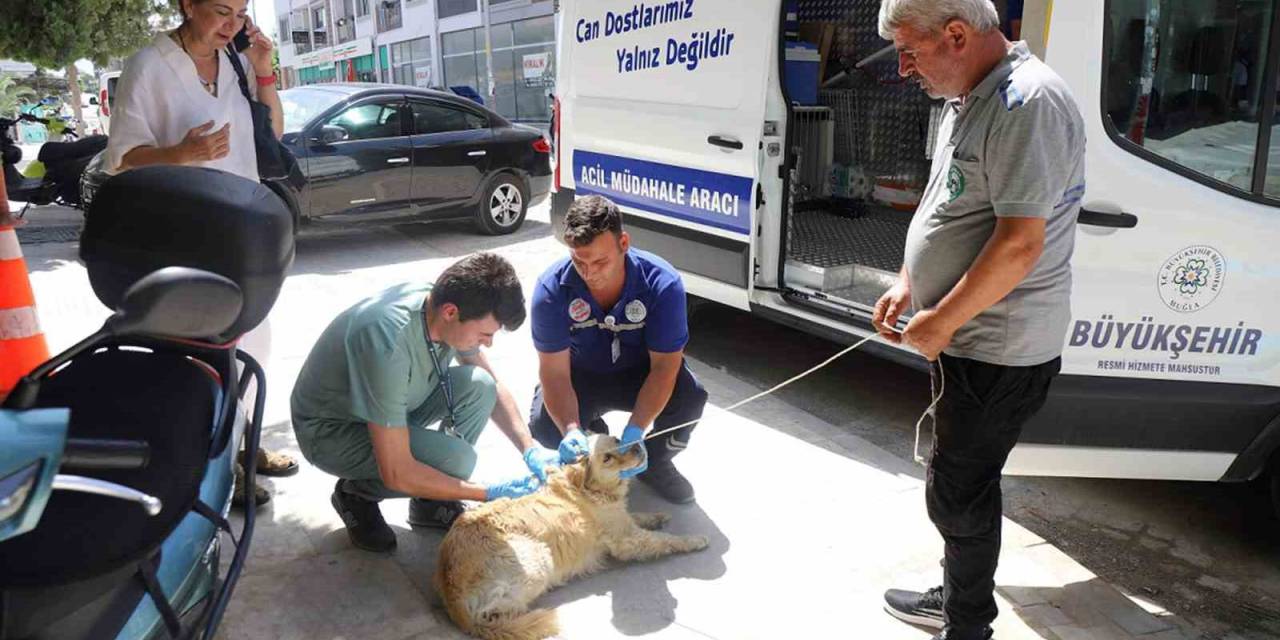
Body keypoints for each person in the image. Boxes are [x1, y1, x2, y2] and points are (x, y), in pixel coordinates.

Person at [871, 2, 1085, 639]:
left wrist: (941, 320)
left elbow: (1020, 243)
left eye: (910, 51)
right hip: (969, 338)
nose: (904, 68)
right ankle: (959, 594)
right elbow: (954, 205)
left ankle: (967, 625)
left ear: (957, 35)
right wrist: (912, 282)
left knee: (958, 490)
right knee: (960, 480)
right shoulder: (966, 96)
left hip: (1000, 347)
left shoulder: (1027, 103)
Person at [102, 0, 293, 507]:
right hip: (184, 232)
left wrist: (263, 70)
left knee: (255, 344)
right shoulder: (150, 67)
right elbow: (121, 158)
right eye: (221, 11)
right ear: (187, 4)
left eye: (242, 13)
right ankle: (212, 472)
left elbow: (272, 132)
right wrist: (178, 156)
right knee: (205, 354)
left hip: (241, 229)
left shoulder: (233, 60)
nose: (232, 25)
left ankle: (242, 445)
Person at [291, 253, 557, 553]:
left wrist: (530, 448)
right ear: (450, 312)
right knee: (457, 461)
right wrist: (489, 493)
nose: (488, 344)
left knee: (480, 386)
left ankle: (430, 500)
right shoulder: (388, 342)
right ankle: (356, 494)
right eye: (485, 334)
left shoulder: (441, 304)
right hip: (333, 432)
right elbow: (396, 471)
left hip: (390, 405)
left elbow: (493, 386)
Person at [528, 195, 708, 505]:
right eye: (579, 261)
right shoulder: (552, 290)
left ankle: (655, 459)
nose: (589, 273)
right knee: (545, 426)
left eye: (600, 261)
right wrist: (572, 429)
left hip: (641, 374)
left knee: (690, 399)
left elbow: (665, 366)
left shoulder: (662, 284)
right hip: (580, 375)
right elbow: (554, 373)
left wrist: (637, 427)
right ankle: (594, 444)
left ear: (623, 243)